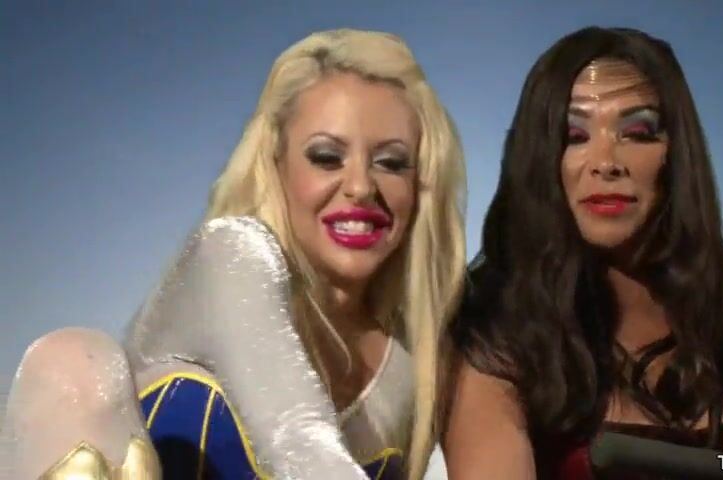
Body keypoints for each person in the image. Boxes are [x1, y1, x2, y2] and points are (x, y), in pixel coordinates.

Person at [2, 28, 466, 480]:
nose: (361, 186)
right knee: (73, 358)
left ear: (421, 185)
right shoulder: (231, 255)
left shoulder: (416, 361)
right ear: (275, 164)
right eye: (326, 157)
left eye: (391, 163)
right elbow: (296, 435)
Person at [442, 26, 723, 479]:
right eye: (574, 135)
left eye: (637, 132)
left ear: (676, 152)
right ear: (540, 158)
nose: (606, 162)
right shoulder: (497, 337)